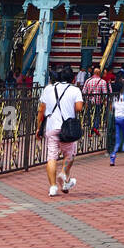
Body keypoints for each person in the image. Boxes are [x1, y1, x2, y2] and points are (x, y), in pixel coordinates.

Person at [37, 64, 83, 198]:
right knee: (69, 154)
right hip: (67, 128)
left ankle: (52, 187)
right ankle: (63, 174)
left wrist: (39, 127)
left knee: (51, 157)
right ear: (72, 79)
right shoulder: (75, 90)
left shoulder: (48, 89)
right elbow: (79, 107)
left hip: (51, 126)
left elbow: (42, 109)